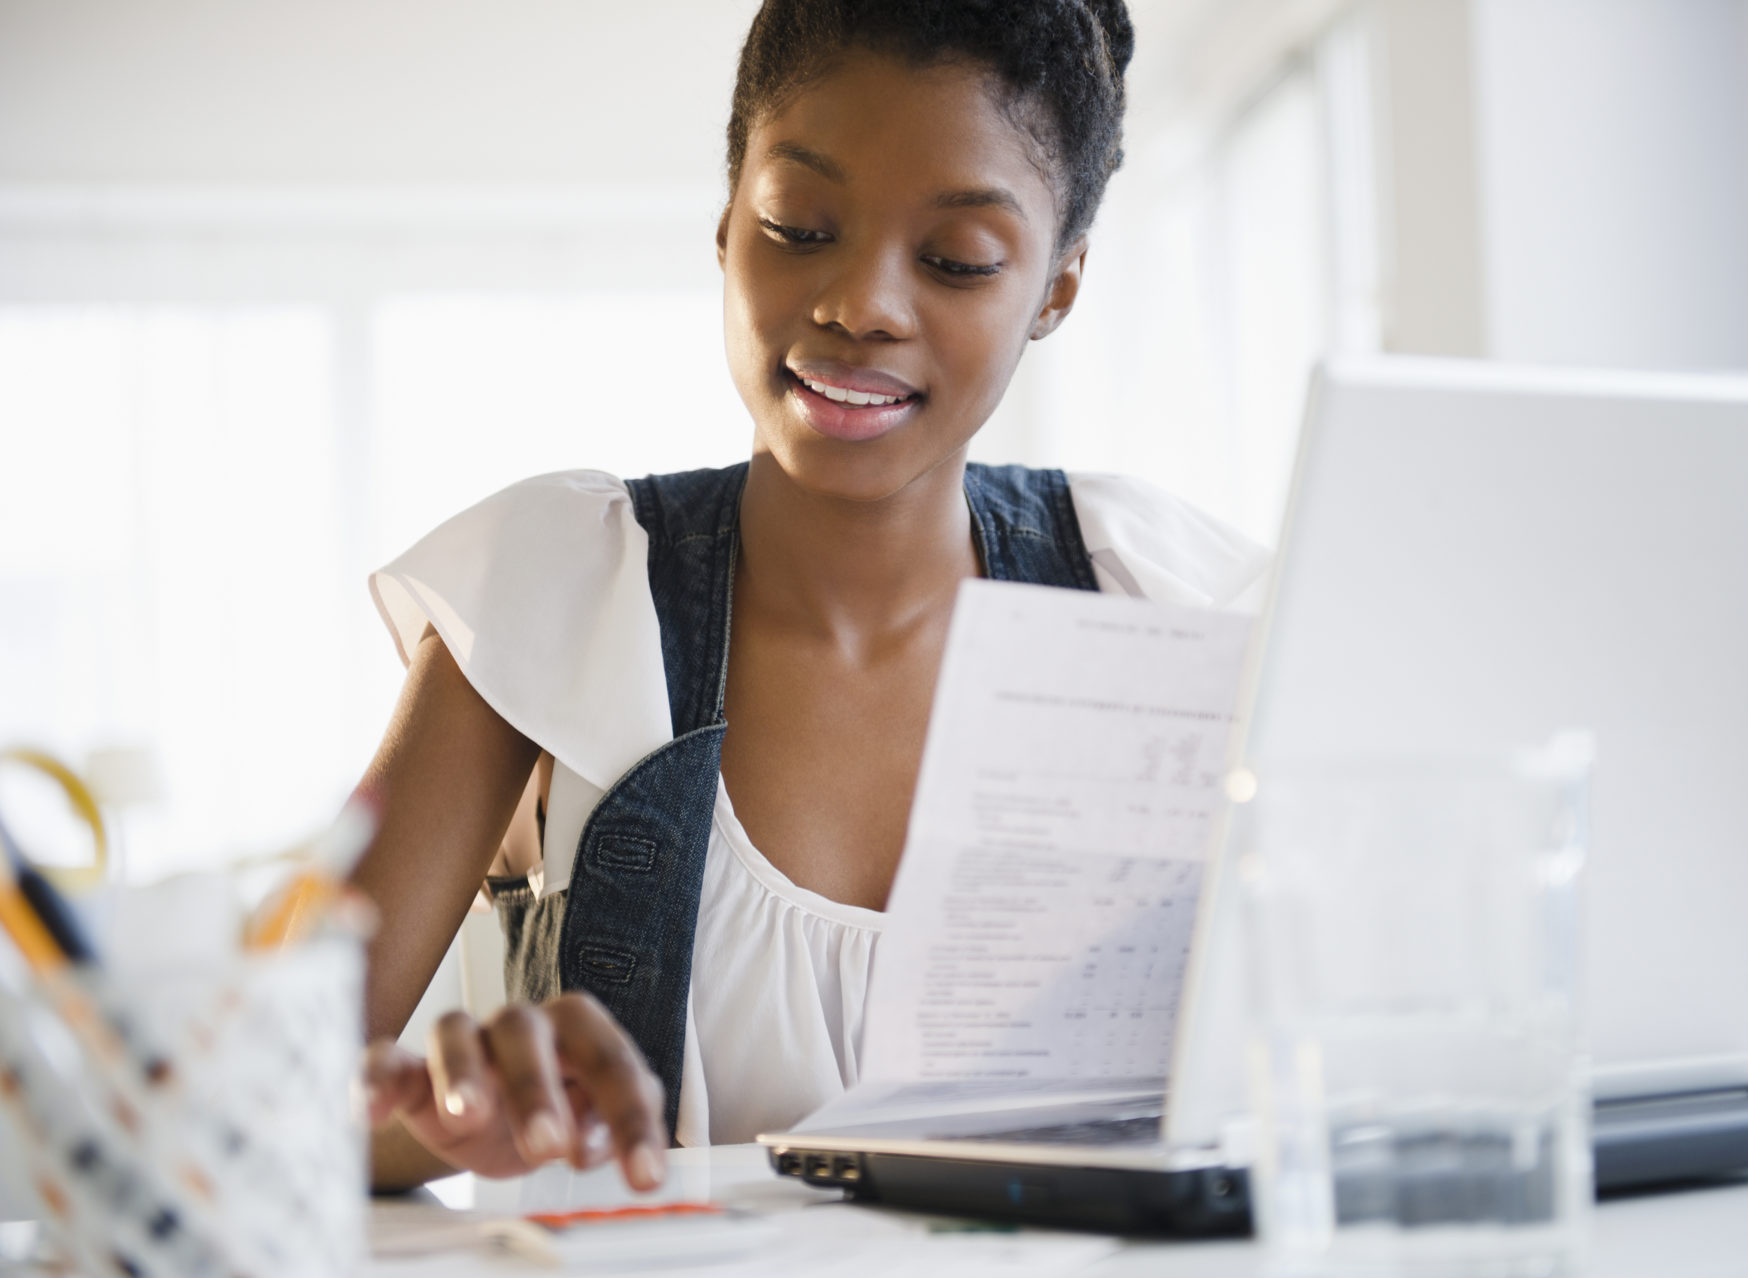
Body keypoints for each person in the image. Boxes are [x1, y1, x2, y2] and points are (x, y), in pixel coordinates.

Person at [353, 0, 1267, 1193]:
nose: (859, 304)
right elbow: (229, 1118)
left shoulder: (1159, 604)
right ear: (729, 221)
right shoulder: (554, 597)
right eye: (799, 226)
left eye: (956, 261)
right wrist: (448, 1130)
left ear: (1055, 289)